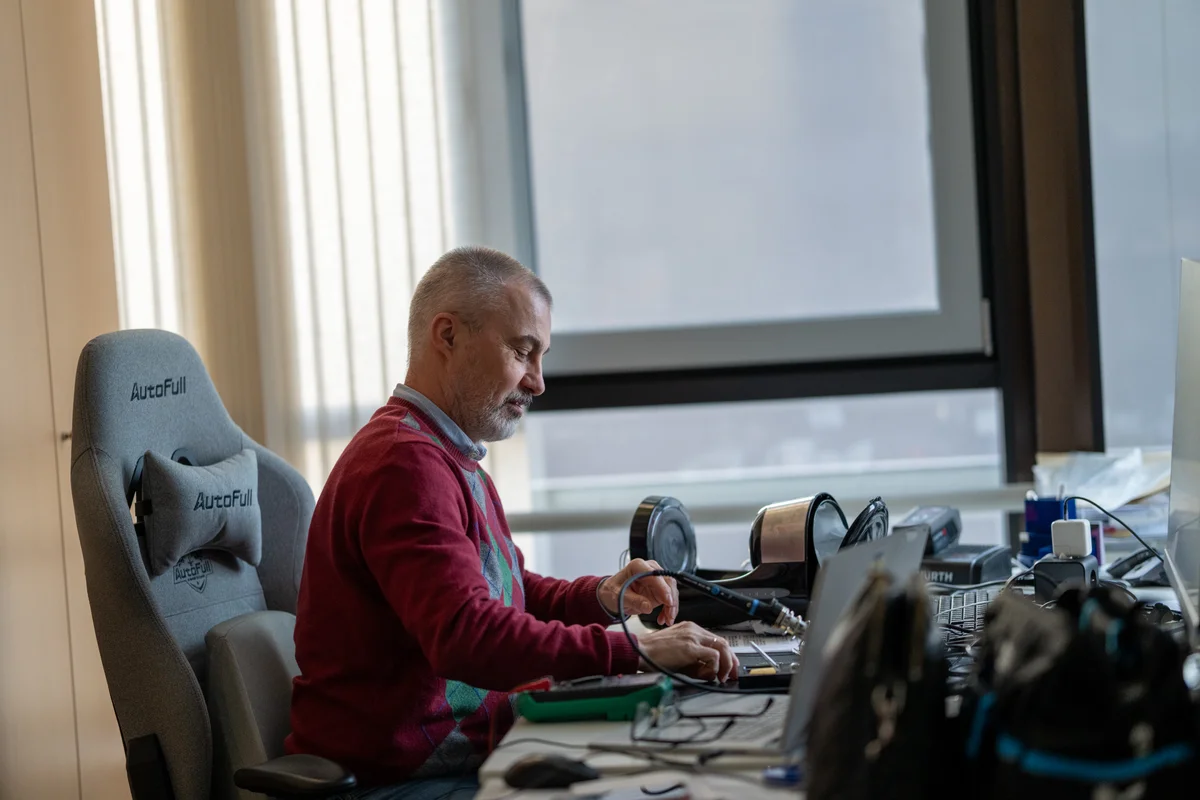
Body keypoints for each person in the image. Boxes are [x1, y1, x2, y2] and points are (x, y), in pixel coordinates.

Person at [287, 246, 739, 800]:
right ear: (447, 336)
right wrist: (635, 650)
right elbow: (467, 637)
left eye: (541, 356)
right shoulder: (402, 464)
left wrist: (600, 595)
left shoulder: (448, 454)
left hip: (459, 758)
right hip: (394, 781)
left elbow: (506, 594)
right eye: (524, 351)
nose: (538, 382)